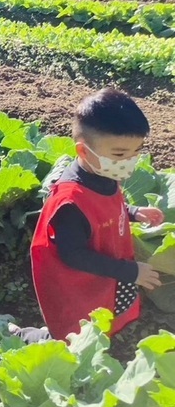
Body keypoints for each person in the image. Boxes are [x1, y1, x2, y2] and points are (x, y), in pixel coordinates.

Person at [31, 88, 163, 340]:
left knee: (100, 324)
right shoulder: (69, 203)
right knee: (74, 335)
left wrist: (134, 212)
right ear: (83, 151)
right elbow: (74, 256)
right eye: (120, 154)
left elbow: (106, 208)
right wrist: (130, 272)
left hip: (106, 276)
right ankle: (29, 337)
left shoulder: (103, 173)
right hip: (79, 285)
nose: (130, 160)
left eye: (137, 152)